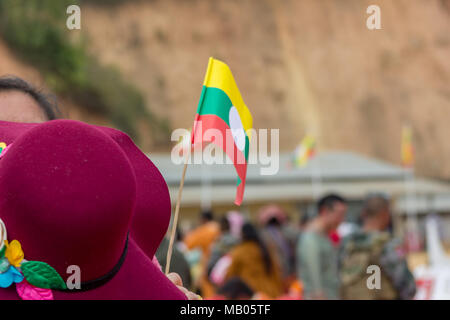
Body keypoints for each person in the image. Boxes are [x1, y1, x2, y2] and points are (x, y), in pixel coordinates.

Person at [338, 194, 417, 300]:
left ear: (363, 213)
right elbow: (405, 282)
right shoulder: (388, 243)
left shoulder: (347, 242)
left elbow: (337, 275)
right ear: (385, 214)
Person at [296, 194, 347, 299]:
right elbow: (313, 276)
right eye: (339, 215)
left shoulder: (324, 236)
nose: (341, 220)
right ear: (324, 211)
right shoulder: (310, 239)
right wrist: (319, 294)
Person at [225, 223, 283, 299]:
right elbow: (276, 273)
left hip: (249, 293)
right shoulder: (265, 249)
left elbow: (231, 275)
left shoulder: (239, 251)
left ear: (242, 235)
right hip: (269, 292)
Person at [184, 210, 221, 297]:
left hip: (208, 264)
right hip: (220, 265)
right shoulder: (219, 228)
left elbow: (188, 243)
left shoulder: (204, 230)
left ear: (203, 219)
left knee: (209, 292)